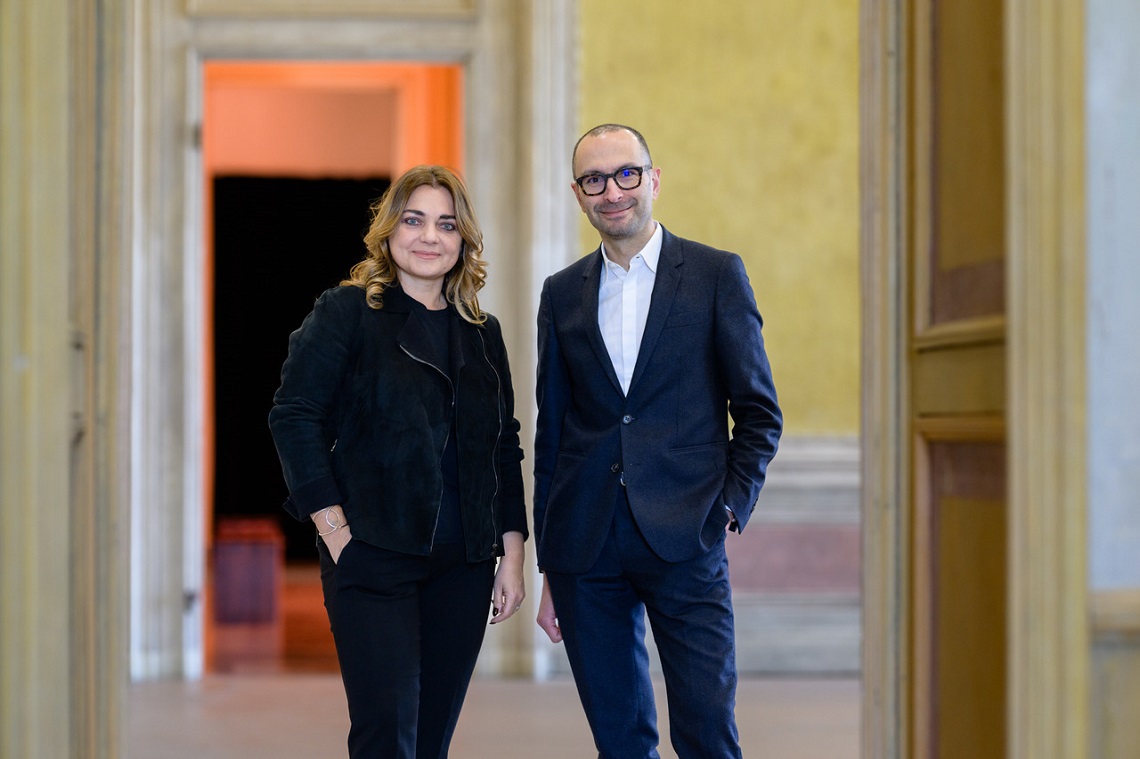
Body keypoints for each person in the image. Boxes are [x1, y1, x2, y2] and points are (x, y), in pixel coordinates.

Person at [533, 124, 783, 758]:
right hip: (587, 549)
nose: (612, 191)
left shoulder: (714, 274)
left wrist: (727, 504)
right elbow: (553, 429)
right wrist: (551, 563)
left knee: (706, 733)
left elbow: (758, 412)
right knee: (620, 741)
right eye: (595, 179)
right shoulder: (561, 293)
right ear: (578, 193)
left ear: (653, 179)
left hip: (686, 537)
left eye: (626, 174)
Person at [269, 165, 528, 759]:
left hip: (463, 565)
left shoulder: (482, 334)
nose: (428, 236)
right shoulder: (347, 312)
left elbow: (502, 445)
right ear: (388, 231)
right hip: (373, 554)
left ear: (463, 240)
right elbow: (294, 415)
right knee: (387, 734)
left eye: (445, 223)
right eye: (414, 220)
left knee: (431, 740)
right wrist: (334, 531)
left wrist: (511, 554)